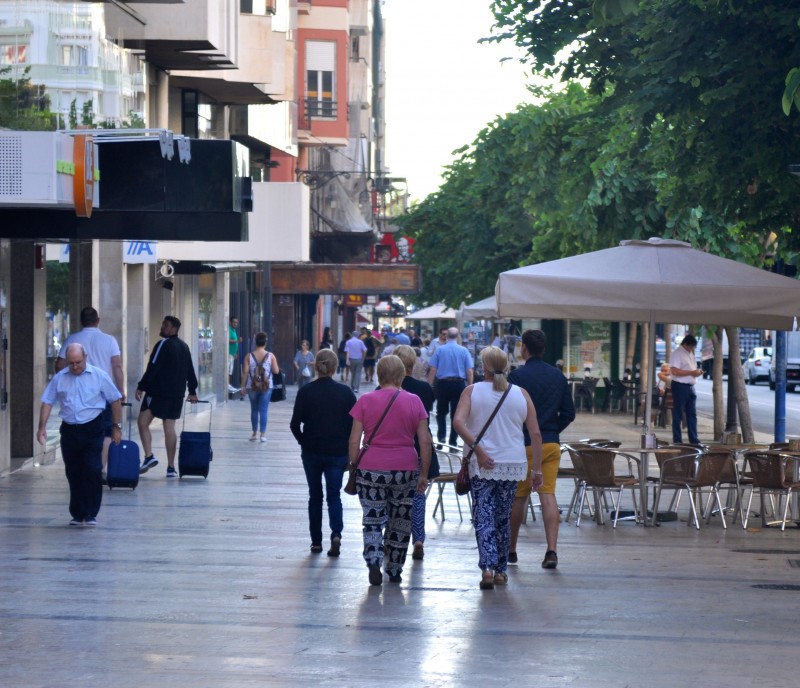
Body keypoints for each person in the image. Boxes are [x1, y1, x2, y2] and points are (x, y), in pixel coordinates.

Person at [453, 346, 543, 590]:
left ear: (484, 367)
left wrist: (479, 450)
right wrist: (537, 470)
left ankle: (488, 568)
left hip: (482, 466)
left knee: (483, 516)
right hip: (513, 465)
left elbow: (458, 423)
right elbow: (535, 433)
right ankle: (502, 569)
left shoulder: (471, 391)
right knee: (502, 517)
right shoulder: (521, 394)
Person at [349, 355, 432, 586]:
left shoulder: (365, 400)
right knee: (400, 519)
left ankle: (374, 558)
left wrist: (355, 465)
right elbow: (424, 441)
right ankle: (394, 568)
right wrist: (423, 473)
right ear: (401, 375)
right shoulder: (415, 401)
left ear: (379, 375)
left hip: (370, 467)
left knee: (372, 517)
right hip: (404, 468)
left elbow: (354, 439)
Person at [508, 329, 574, 569]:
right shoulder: (558, 376)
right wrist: (552, 429)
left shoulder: (516, 377)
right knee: (548, 496)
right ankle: (551, 551)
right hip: (550, 444)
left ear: (524, 348)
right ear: (543, 348)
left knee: (518, 498)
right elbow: (569, 413)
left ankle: (512, 550)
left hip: (523, 445)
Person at [37, 343, 123, 526]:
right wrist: (41, 427)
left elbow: (115, 399)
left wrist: (116, 426)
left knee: (92, 469)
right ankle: (77, 513)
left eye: (78, 362)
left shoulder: (99, 376)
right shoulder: (60, 378)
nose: (75, 367)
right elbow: (47, 402)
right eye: (71, 363)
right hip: (69, 429)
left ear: (86, 358)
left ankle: (91, 513)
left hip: (92, 427)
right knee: (74, 471)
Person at [291, 349, 357, 556]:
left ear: (316, 365)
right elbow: (354, 426)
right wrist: (349, 450)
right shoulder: (346, 393)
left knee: (315, 495)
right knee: (334, 495)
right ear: (335, 367)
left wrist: (304, 442)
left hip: (312, 451)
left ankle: (316, 542)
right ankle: (336, 534)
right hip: (337, 453)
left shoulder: (306, 391)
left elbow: (294, 424)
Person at [55, 306, 125, 480]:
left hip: (79, 393)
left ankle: (84, 467)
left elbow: (59, 365)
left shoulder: (72, 339)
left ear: (81, 321)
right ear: (98, 320)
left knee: (81, 431)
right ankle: (98, 469)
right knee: (107, 432)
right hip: (104, 393)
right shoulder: (109, 340)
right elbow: (117, 366)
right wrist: (120, 390)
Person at [136, 316, 199, 478]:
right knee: (169, 428)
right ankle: (171, 467)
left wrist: (141, 386)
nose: (162, 327)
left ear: (173, 329)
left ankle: (149, 456)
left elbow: (153, 367)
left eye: (166, 325)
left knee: (142, 422)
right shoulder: (184, 347)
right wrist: (192, 391)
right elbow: (190, 371)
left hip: (158, 393)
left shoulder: (163, 344)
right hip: (177, 395)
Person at [393, 345, 438, 561]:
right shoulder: (425, 389)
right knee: (418, 495)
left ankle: (390, 536)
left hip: (394, 448)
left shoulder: (385, 390)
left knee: (392, 496)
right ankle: (418, 539)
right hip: (420, 447)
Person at [427, 327, 474, 447]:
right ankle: (453, 441)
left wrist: (429, 386)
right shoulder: (464, 351)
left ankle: (442, 437)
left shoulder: (440, 350)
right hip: (459, 384)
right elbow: (469, 371)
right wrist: (471, 387)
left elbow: (433, 369)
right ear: (458, 336)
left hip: (443, 384)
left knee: (441, 412)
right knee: (456, 413)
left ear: (447, 336)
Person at [241, 332, 281, 443]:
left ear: (255, 342)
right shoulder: (270, 356)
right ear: (265, 343)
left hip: (251, 386)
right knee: (263, 410)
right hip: (266, 386)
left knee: (254, 409)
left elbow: (245, 372)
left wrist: (243, 386)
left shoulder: (248, 356)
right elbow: (276, 371)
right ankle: (263, 435)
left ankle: (254, 434)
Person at [669, 334, 702, 444]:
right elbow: (675, 371)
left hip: (691, 386)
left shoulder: (690, 353)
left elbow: (690, 369)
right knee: (678, 414)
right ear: (686, 344)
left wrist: (696, 372)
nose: (692, 349)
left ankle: (694, 439)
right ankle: (677, 439)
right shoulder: (677, 353)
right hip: (680, 386)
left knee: (692, 414)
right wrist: (692, 372)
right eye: (691, 346)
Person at [228, 316, 241, 394]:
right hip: (228, 354)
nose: (235, 324)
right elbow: (227, 340)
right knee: (228, 370)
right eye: (234, 322)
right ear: (230, 322)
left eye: (236, 322)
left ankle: (229, 385)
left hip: (232, 354)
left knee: (230, 370)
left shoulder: (234, 330)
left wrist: (235, 353)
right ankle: (228, 385)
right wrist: (237, 340)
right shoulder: (229, 330)